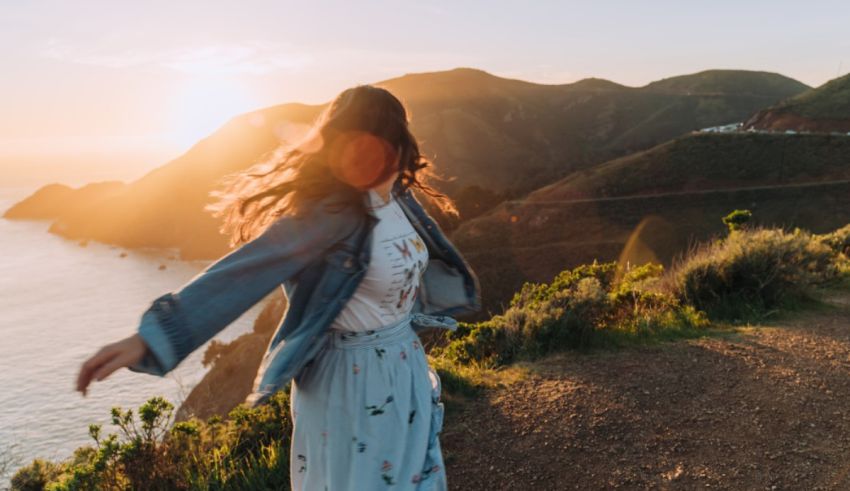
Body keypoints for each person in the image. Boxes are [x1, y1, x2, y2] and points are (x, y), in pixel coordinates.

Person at [75, 84, 482, 490]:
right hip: (351, 379)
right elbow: (242, 274)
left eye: (390, 135)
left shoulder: (400, 199)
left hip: (403, 362)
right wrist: (152, 338)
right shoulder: (327, 217)